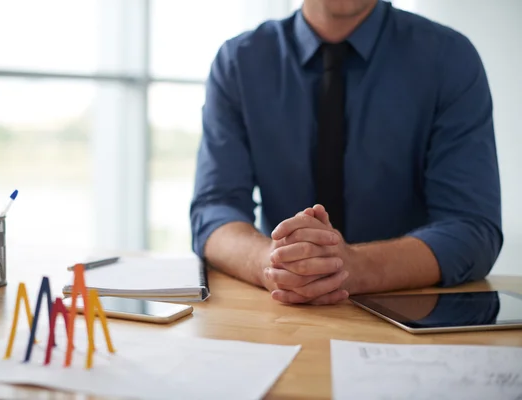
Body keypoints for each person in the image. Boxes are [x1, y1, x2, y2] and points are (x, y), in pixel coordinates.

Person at [189, 0, 503, 305]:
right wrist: (272, 263)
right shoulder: (238, 62)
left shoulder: (448, 58)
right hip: (281, 311)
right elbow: (215, 208)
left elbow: (471, 227)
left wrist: (353, 267)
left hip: (408, 317)